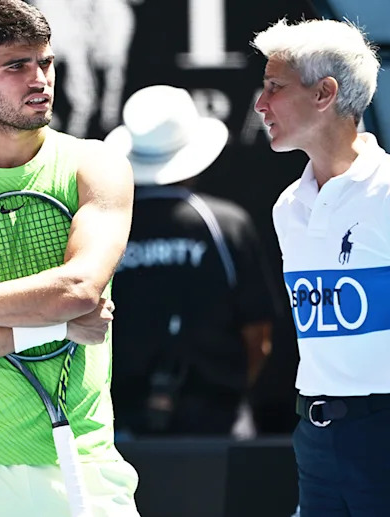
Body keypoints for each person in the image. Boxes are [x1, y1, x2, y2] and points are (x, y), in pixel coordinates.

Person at [0, 1, 138, 515]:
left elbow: (76, 290)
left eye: (46, 63)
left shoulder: (96, 165)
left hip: (86, 454)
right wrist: (58, 328)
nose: (39, 80)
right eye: (16, 66)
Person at [252, 18, 388, 516]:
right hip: (314, 437)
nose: (261, 104)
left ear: (324, 93)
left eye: (275, 86)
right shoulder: (288, 206)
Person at [105, 85, 277, 437]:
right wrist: (232, 392)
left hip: (118, 421)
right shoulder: (226, 224)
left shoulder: (103, 226)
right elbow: (259, 336)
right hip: (217, 422)